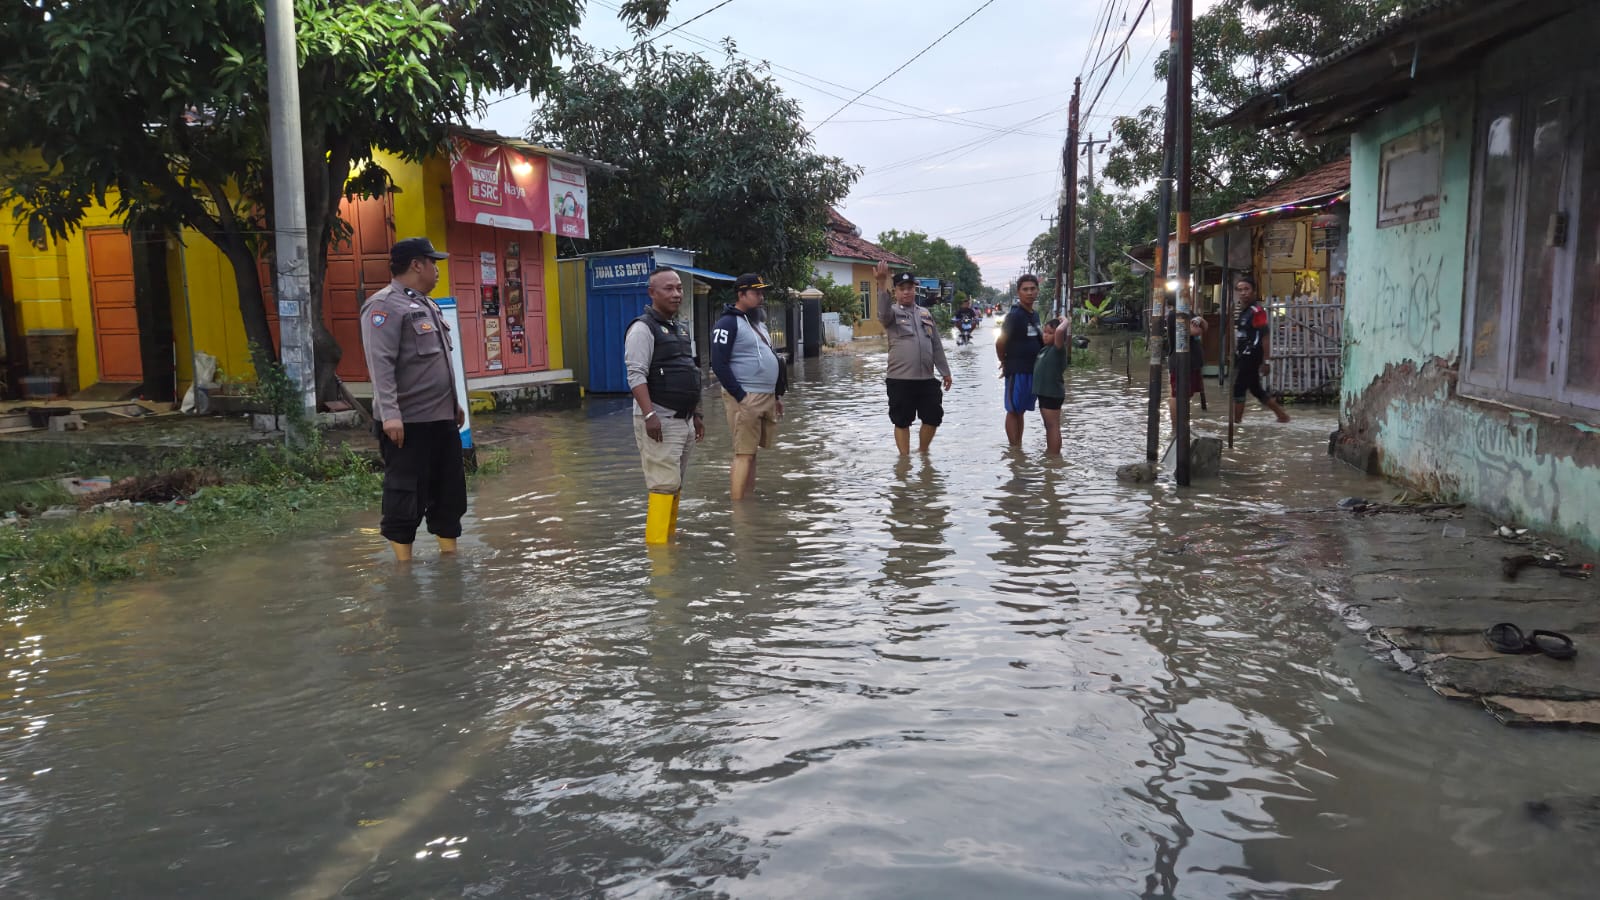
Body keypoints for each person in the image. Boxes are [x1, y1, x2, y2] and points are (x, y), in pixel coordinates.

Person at [359, 237, 467, 562]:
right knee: (405, 494)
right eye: (434, 263)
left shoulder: (426, 305)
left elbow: (438, 364)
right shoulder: (383, 307)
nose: (437, 270)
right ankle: (402, 568)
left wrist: (454, 404)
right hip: (408, 424)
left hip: (442, 418)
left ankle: (450, 559)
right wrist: (391, 415)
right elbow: (381, 364)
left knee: (449, 493)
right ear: (417, 265)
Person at [625, 268, 706, 544]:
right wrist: (649, 415)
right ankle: (659, 554)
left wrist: (696, 414)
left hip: (683, 419)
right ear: (652, 293)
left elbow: (690, 370)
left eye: (679, 288)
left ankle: (668, 537)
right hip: (659, 417)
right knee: (663, 484)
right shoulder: (642, 329)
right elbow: (635, 375)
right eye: (668, 289)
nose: (676, 294)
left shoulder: (680, 328)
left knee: (675, 482)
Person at [711, 273, 784, 501]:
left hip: (766, 396)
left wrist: (777, 397)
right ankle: (738, 511)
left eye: (762, 292)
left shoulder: (758, 323)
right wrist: (740, 396)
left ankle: (748, 501)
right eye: (756, 293)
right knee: (743, 453)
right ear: (741, 294)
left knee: (752, 454)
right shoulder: (727, 323)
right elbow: (718, 364)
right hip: (745, 396)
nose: (761, 297)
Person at [874, 261, 953, 455]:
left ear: (914, 290)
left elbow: (936, 344)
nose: (907, 292)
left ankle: (923, 452)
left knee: (933, 417)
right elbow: (882, 313)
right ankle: (905, 459)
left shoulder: (925, 313)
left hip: (926, 379)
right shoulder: (891, 313)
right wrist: (881, 284)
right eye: (902, 289)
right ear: (896, 292)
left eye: (910, 288)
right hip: (900, 379)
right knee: (901, 420)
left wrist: (945, 372)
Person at [1231, 275, 1292, 424]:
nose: (1243, 293)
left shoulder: (1257, 311)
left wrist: (1266, 361)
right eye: (1240, 290)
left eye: (1246, 289)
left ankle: (1236, 423)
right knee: (1256, 390)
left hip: (1252, 355)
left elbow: (1265, 336)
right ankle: (1282, 416)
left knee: (1239, 388)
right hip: (1243, 356)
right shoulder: (1244, 312)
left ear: (1253, 291)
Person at [996, 274, 1044, 446]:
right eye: (1025, 289)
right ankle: (1014, 450)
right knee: (1013, 410)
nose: (1029, 293)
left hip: (1033, 370)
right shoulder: (1014, 316)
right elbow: (1000, 342)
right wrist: (1004, 361)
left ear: (1037, 291)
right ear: (1018, 292)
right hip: (1016, 370)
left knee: (1021, 411)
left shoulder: (1035, 315)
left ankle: (1018, 447)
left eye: (1032, 289)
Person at [1166, 307, 1209, 425]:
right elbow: (1195, 331)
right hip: (1180, 361)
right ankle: (1176, 428)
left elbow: (1204, 327)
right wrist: (1198, 324)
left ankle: (1182, 424)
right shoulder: (1174, 314)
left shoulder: (1188, 312)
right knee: (1177, 395)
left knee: (1187, 394)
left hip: (1193, 361)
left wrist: (1200, 320)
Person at [1033, 317, 1068, 456]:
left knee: (1053, 426)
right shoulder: (1045, 350)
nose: (1045, 335)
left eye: (1050, 333)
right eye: (1045, 332)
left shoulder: (1057, 349)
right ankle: (1051, 453)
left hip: (1052, 393)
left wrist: (1066, 321)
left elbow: (1060, 331)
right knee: (1049, 426)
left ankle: (1054, 456)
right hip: (1045, 393)